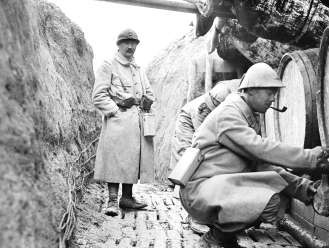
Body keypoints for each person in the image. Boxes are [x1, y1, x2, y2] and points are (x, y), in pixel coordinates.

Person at [179, 63, 329, 248]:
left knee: (266, 189)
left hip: (216, 184)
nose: (273, 98)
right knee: (267, 202)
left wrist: (306, 189)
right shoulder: (230, 114)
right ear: (250, 90)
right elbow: (263, 150)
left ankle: (227, 239)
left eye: (274, 93)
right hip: (200, 190)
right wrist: (309, 158)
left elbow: (263, 164)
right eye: (269, 92)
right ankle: (212, 240)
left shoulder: (245, 112)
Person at [92, 29, 155, 216]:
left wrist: (147, 100)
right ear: (118, 45)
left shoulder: (138, 69)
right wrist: (116, 108)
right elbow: (98, 96)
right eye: (126, 42)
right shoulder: (108, 65)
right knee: (116, 160)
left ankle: (127, 198)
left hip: (136, 122)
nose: (130, 46)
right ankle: (111, 201)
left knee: (132, 159)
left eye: (134, 43)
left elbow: (150, 93)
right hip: (118, 122)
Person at [169, 80, 238, 234]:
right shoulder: (203, 109)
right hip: (188, 125)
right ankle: (193, 215)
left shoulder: (228, 96)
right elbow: (202, 140)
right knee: (191, 164)